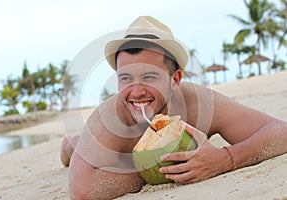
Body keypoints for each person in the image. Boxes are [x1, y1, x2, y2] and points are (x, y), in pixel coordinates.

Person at [60, 16, 287, 200]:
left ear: (175, 79)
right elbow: (82, 192)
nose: (136, 92)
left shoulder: (198, 103)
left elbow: (281, 132)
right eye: (126, 78)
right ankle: (72, 143)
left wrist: (226, 159)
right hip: (104, 146)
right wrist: (152, 167)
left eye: (150, 77)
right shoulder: (108, 117)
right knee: (78, 145)